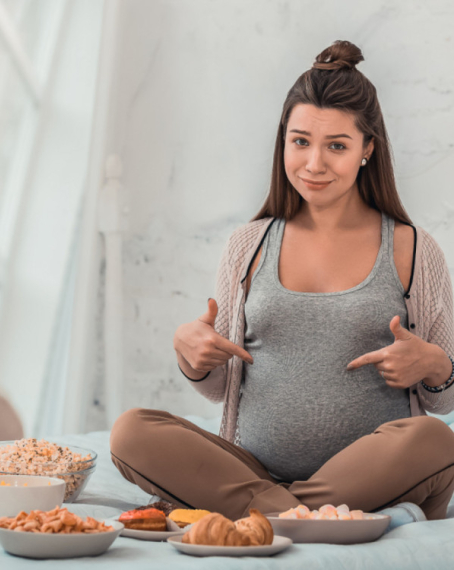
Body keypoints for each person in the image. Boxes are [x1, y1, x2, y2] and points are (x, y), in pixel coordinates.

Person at [110, 40, 454, 521]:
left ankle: (265, 515)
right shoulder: (247, 245)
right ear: (283, 141)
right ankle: (301, 516)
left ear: (367, 149)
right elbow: (220, 387)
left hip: (371, 473)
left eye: (336, 145)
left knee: (435, 440)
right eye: (300, 142)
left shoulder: (413, 249)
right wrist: (195, 358)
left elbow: (445, 401)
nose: (314, 164)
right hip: (253, 470)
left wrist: (435, 364)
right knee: (131, 432)